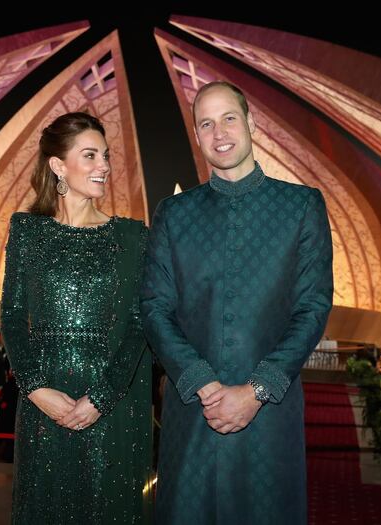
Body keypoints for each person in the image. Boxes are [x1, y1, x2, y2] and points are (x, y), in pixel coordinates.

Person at [141, 81, 334, 524]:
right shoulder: (174, 213)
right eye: (205, 123)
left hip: (269, 414)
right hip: (193, 414)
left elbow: (313, 306)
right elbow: (155, 308)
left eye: (229, 117)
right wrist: (206, 387)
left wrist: (256, 390)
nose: (219, 131)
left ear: (250, 122)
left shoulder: (302, 206)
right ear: (197, 135)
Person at [0, 112, 152, 524]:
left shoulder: (132, 238)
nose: (104, 166)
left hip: (109, 403)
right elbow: (12, 316)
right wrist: (35, 389)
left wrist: (101, 398)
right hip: (42, 402)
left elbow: (140, 324)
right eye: (90, 155)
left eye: (105, 156)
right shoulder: (27, 230)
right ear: (58, 165)